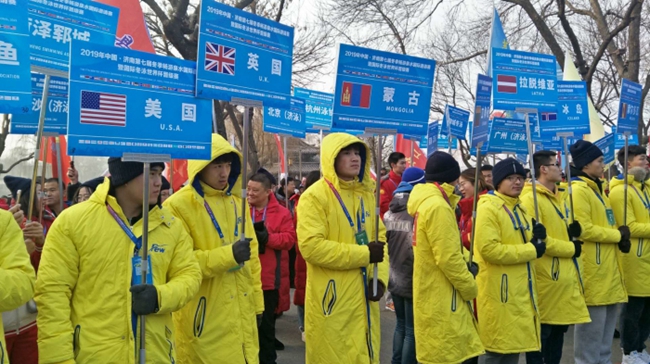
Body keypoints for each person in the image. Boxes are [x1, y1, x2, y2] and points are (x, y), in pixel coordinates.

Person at [35, 158, 202, 363]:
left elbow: (190, 275)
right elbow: (52, 294)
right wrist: (59, 360)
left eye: (160, 173)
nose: (159, 182)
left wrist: (160, 297)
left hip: (156, 354)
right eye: (151, 174)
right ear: (124, 177)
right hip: (94, 356)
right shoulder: (73, 222)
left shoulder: (171, 226)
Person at [163, 134, 263, 364]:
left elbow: (252, 257)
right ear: (200, 166)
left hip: (241, 309)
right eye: (217, 166)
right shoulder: (177, 206)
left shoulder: (238, 202)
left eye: (228, 165)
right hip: (204, 316)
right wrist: (228, 256)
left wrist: (257, 303)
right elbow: (179, 264)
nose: (224, 173)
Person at [297, 132, 388, 363]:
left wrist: (380, 279)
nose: (354, 158)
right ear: (332, 158)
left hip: (365, 295)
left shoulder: (366, 195)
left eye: (357, 153)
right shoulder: (314, 197)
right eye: (346, 153)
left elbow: (380, 241)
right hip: (333, 299)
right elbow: (312, 247)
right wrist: (364, 254)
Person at [406, 153, 484, 364]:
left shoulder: (428, 202)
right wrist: (470, 288)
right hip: (444, 295)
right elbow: (448, 258)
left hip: (435, 291)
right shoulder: (438, 206)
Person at [474, 158, 547, 364]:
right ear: (498, 182)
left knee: (513, 347)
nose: (517, 182)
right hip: (500, 291)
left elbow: (525, 243)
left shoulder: (520, 207)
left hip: (520, 290)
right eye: (510, 178)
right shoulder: (489, 208)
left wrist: (538, 237)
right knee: (495, 351)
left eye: (520, 178)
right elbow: (490, 250)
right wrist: (531, 249)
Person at [520, 151, 590, 364]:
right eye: (556, 164)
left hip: (563, 278)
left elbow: (559, 230)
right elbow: (541, 241)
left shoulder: (561, 195)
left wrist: (572, 231)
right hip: (545, 277)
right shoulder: (530, 198)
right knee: (543, 335)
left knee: (557, 337)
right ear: (543, 169)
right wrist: (571, 248)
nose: (561, 168)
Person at [570, 140, 629, 364]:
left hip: (609, 269)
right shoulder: (579, 190)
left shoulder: (597, 190)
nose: (603, 165)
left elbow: (606, 222)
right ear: (585, 165)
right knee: (590, 336)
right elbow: (583, 228)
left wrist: (619, 235)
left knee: (604, 337)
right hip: (593, 269)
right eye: (599, 161)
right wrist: (617, 236)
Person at [247, 172, 296, 364]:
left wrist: (268, 238)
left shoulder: (282, 212)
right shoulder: (241, 209)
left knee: (266, 330)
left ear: (268, 192)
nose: (250, 193)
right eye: (248, 189)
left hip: (268, 282)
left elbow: (290, 240)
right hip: (243, 279)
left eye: (255, 190)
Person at [610, 145, 650, 363]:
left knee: (647, 310)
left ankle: (639, 346)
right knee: (632, 309)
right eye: (641, 159)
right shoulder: (620, 191)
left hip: (648, 258)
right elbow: (629, 227)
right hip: (634, 257)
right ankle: (628, 351)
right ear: (628, 163)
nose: (646, 162)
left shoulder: (644, 188)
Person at [383, 167, 425, 364]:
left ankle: (395, 361)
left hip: (394, 276)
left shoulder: (389, 213)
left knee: (400, 326)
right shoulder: (418, 212)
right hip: (412, 276)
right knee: (411, 330)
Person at [2, 177, 44, 364]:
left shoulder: (42, 222)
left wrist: (41, 245)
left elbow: (44, 271)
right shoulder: (6, 220)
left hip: (30, 319)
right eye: (40, 192)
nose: (44, 196)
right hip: (5, 325)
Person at [0, 207, 36, 364]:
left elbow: (26, 280)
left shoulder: (4, 221)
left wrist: (40, 244)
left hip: (27, 320)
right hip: (7, 327)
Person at [293, 170, 320, 343]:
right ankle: (304, 326)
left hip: (307, 253)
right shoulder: (305, 202)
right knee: (304, 290)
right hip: (304, 253)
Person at [458, 168, 492, 250]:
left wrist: (457, 240)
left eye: (463, 184)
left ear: (477, 183)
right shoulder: (465, 206)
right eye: (459, 185)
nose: (460, 189)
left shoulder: (487, 204)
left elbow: (478, 239)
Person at [380, 152, 407, 218]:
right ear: (393, 165)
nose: (404, 166)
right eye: (402, 163)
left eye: (405, 163)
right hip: (389, 221)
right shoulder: (384, 182)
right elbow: (383, 205)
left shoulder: (406, 180)